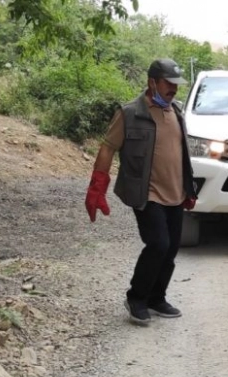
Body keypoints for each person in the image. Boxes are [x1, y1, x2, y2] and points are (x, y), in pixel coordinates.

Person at [84, 58, 197, 326]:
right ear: (152, 82)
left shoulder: (176, 112)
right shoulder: (130, 113)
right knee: (158, 244)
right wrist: (97, 187)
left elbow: (181, 154)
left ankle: (157, 298)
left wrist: (189, 188)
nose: (174, 89)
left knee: (170, 250)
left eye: (176, 85)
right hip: (147, 193)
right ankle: (136, 298)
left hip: (176, 192)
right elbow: (107, 148)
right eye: (168, 84)